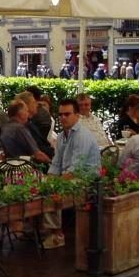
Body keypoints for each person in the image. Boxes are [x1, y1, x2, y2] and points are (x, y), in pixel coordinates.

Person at [42, 98, 101, 249]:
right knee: (41, 185)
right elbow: (56, 164)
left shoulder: (82, 135)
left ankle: (57, 234)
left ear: (77, 115)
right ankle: (45, 227)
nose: (63, 118)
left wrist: (55, 183)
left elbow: (76, 169)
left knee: (52, 190)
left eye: (67, 114)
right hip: (72, 177)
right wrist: (48, 179)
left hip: (88, 181)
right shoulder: (62, 136)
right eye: (60, 115)